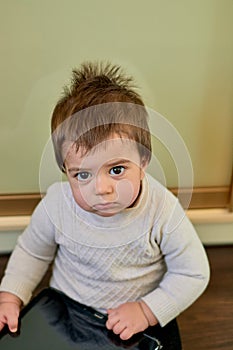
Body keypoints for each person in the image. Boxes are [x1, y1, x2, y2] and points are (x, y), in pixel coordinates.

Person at [0, 62, 210, 342]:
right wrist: (11, 295)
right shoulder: (57, 205)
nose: (101, 189)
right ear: (66, 170)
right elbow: (33, 252)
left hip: (137, 319)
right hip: (69, 312)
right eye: (82, 174)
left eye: (116, 170)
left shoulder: (162, 211)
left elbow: (193, 273)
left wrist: (147, 311)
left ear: (144, 160)